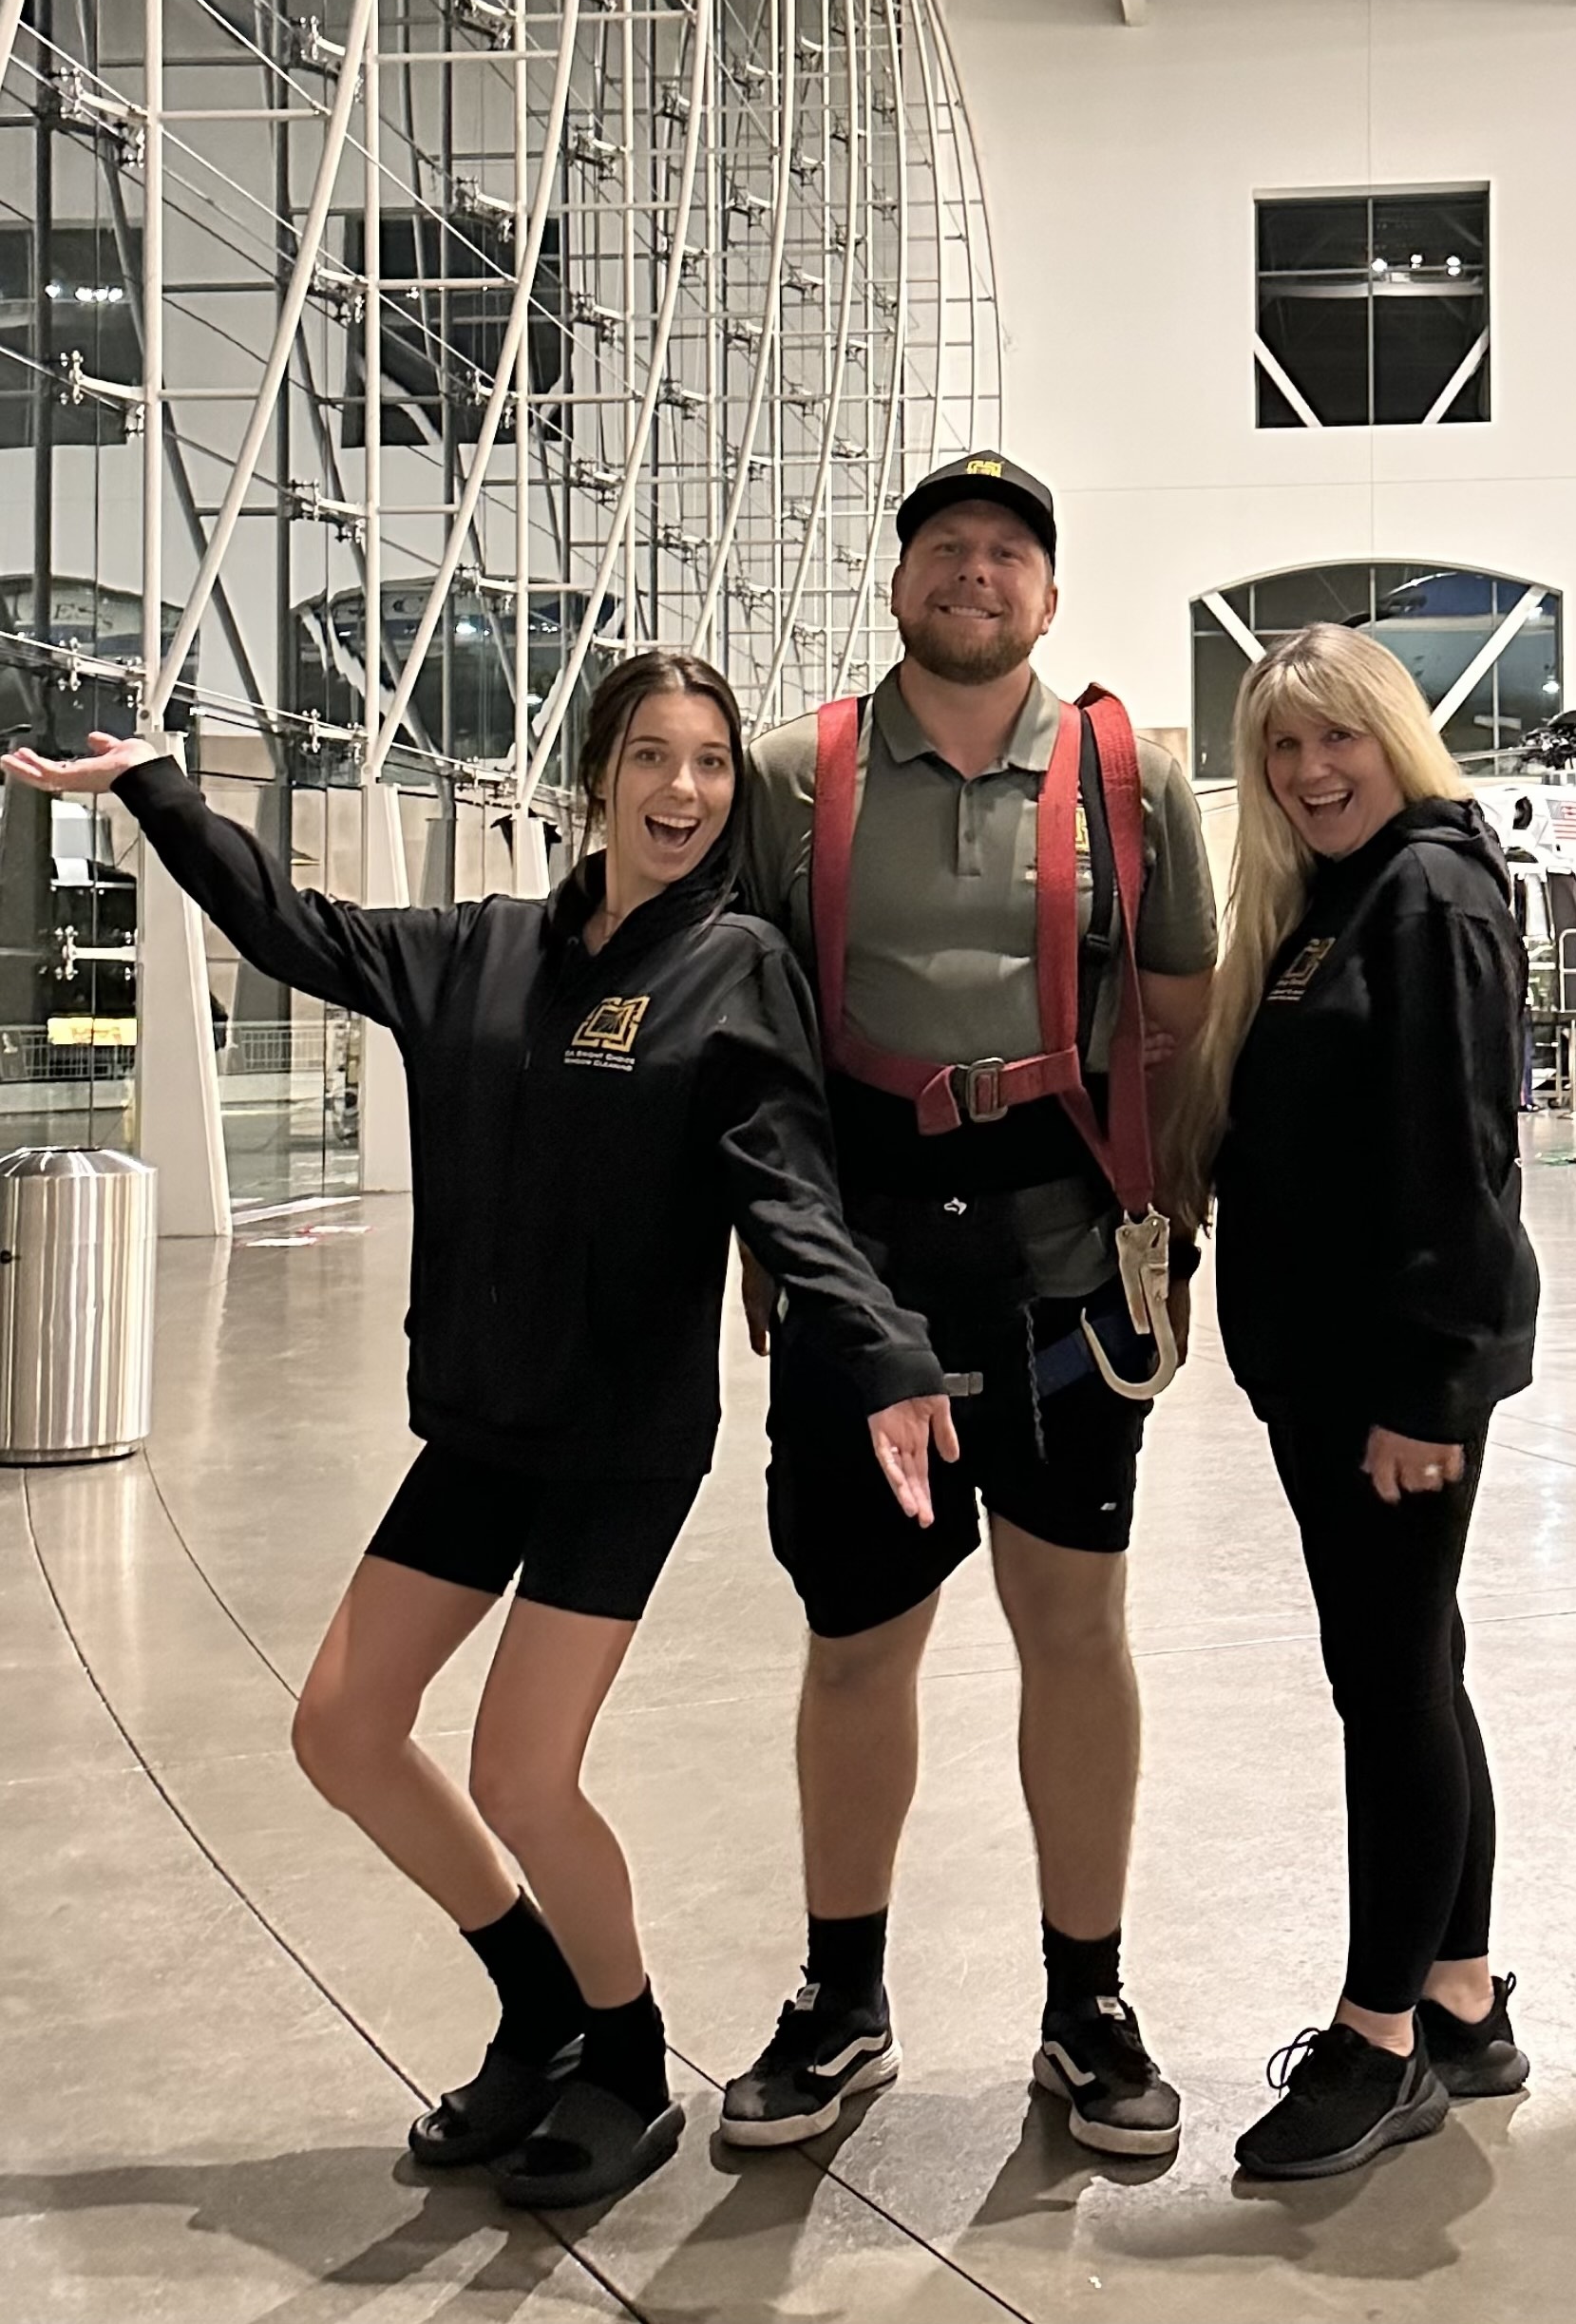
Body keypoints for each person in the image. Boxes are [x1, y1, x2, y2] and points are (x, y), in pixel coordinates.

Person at [1, 652, 954, 2210]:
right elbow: (289, 927)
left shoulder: (735, 965)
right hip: (481, 1418)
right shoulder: (482, 952)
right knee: (341, 1732)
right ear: (596, 776)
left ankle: (628, 2058)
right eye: (652, 756)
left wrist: (883, 1347)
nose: (683, 791)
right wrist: (157, 788)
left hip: (623, 1439)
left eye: (711, 764)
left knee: (522, 1773)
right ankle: (537, 2007)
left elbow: (788, 1184)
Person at [719, 454, 1217, 2159]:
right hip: (866, 1292)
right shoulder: (792, 779)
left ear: (1050, 595)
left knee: (1074, 1635)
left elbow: (1172, 1013)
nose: (977, 573)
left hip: (1060, 1274)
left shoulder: (1130, 770)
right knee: (857, 1649)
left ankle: (1088, 2003)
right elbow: (738, 1026)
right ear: (899, 584)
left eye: (1009, 554)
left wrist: (1157, 1211)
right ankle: (840, 2001)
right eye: (947, 548)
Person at [1163, 621, 1540, 2181]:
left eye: (1340, 738)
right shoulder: (1342, 902)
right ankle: (1458, 1994)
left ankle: (1376, 2037)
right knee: (1414, 1667)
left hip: (1391, 1388)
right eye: (1281, 749)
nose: (1313, 771)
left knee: (1383, 1686)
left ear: (1395, 737)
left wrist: (1425, 1391)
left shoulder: (1431, 895)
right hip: (1335, 1379)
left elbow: (1459, 1160)